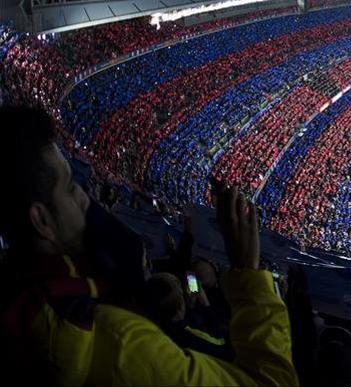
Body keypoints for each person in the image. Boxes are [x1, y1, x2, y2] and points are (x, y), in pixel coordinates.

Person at [0, 104, 298, 386]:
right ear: (41, 221)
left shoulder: (45, 299)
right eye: (69, 186)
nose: (82, 195)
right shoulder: (160, 337)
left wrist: (192, 266)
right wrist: (246, 272)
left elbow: (185, 276)